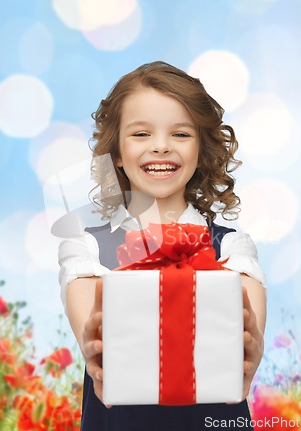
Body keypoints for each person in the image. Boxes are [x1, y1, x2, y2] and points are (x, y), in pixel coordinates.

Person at [58, 61, 267, 431]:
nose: (160, 146)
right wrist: (94, 337)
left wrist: (250, 341)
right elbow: (88, 323)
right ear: (117, 153)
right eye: (140, 134)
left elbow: (245, 335)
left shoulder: (233, 247)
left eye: (181, 135)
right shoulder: (86, 246)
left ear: (201, 151)